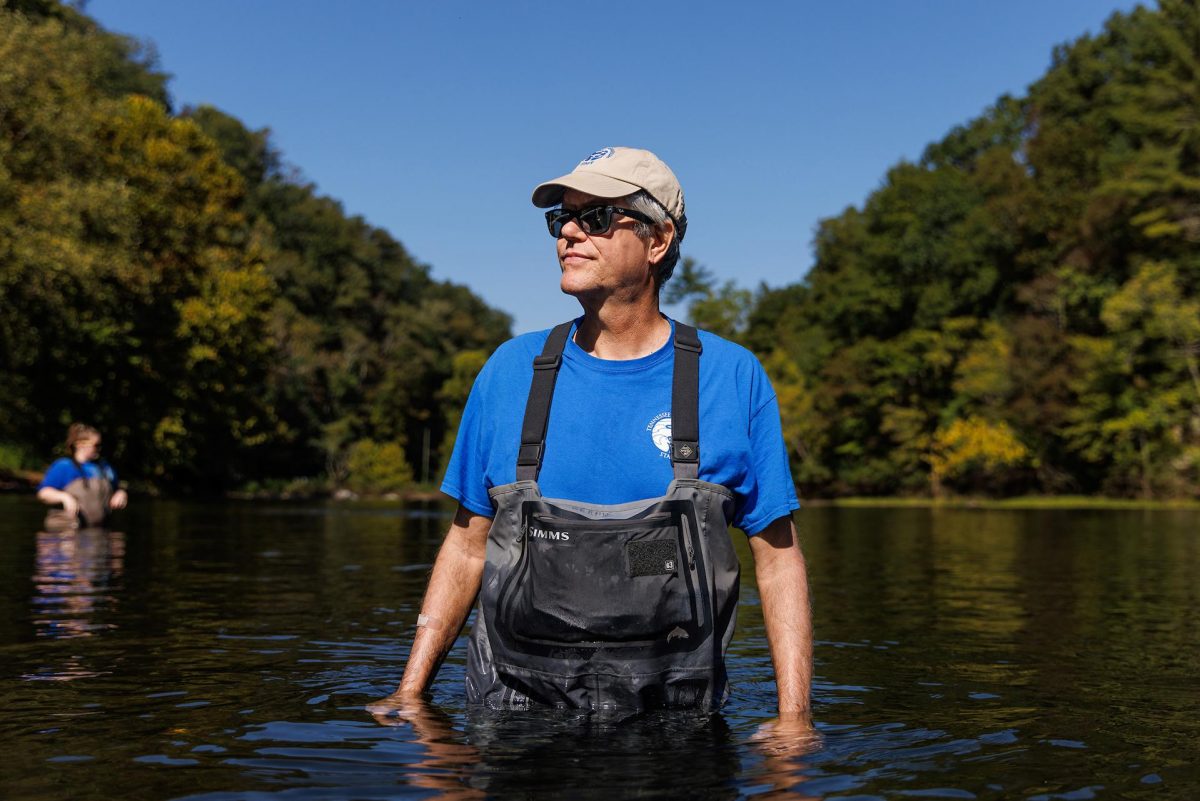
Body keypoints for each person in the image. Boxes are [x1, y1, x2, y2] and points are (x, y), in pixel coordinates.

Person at [370, 147, 812, 724]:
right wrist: (410, 694)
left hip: (678, 725)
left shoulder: (732, 377)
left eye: (596, 217)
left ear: (658, 241)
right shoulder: (509, 371)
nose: (569, 233)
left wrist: (794, 720)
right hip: (512, 721)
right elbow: (465, 546)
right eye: (562, 218)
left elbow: (778, 561)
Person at [37, 423, 127, 530]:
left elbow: (116, 488)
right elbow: (43, 493)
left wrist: (121, 493)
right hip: (67, 533)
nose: (99, 449)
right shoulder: (64, 466)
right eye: (96, 445)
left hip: (99, 532)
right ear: (79, 444)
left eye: (100, 445)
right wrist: (65, 497)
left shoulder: (105, 467)